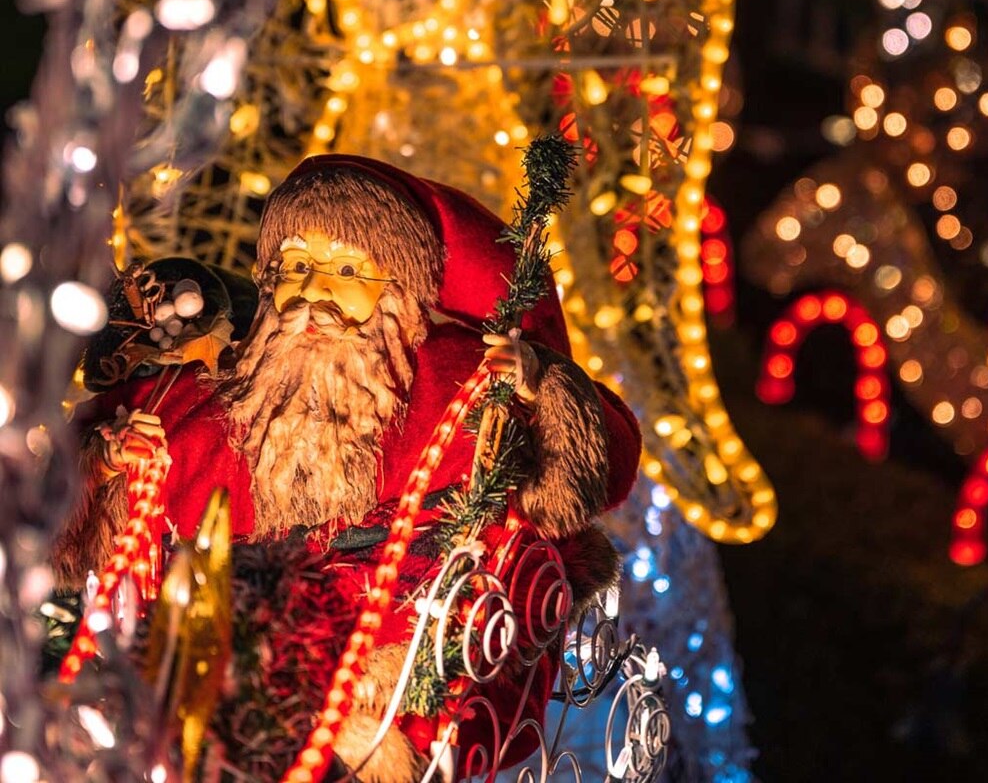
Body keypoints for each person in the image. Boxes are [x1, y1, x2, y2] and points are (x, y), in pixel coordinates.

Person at [54, 154, 641, 781]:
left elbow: (594, 471)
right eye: (297, 267)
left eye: (344, 270)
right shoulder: (213, 392)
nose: (313, 293)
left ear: (397, 286)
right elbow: (76, 488)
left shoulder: (458, 376)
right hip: (224, 669)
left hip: (393, 666)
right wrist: (110, 457)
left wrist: (541, 387)